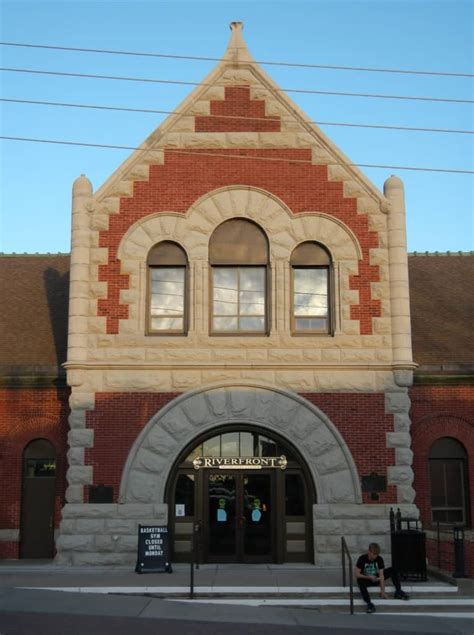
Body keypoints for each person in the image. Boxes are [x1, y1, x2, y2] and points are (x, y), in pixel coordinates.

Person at [355, 542, 409, 613]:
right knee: (360, 580)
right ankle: (369, 603)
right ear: (369, 551)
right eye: (373, 554)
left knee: (392, 570)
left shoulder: (379, 559)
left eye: (376, 554)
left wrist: (383, 592)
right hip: (366, 579)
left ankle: (398, 591)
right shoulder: (362, 559)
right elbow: (357, 574)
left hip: (376, 579)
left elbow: (381, 575)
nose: (375, 556)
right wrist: (369, 577)